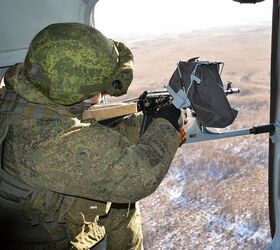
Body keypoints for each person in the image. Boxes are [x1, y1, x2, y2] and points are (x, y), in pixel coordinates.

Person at [0, 23, 185, 249]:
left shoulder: (20, 97)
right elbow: (139, 176)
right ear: (75, 91)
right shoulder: (45, 140)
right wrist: (168, 123)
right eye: (102, 88)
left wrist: (142, 124)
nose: (105, 93)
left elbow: (88, 142)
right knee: (121, 204)